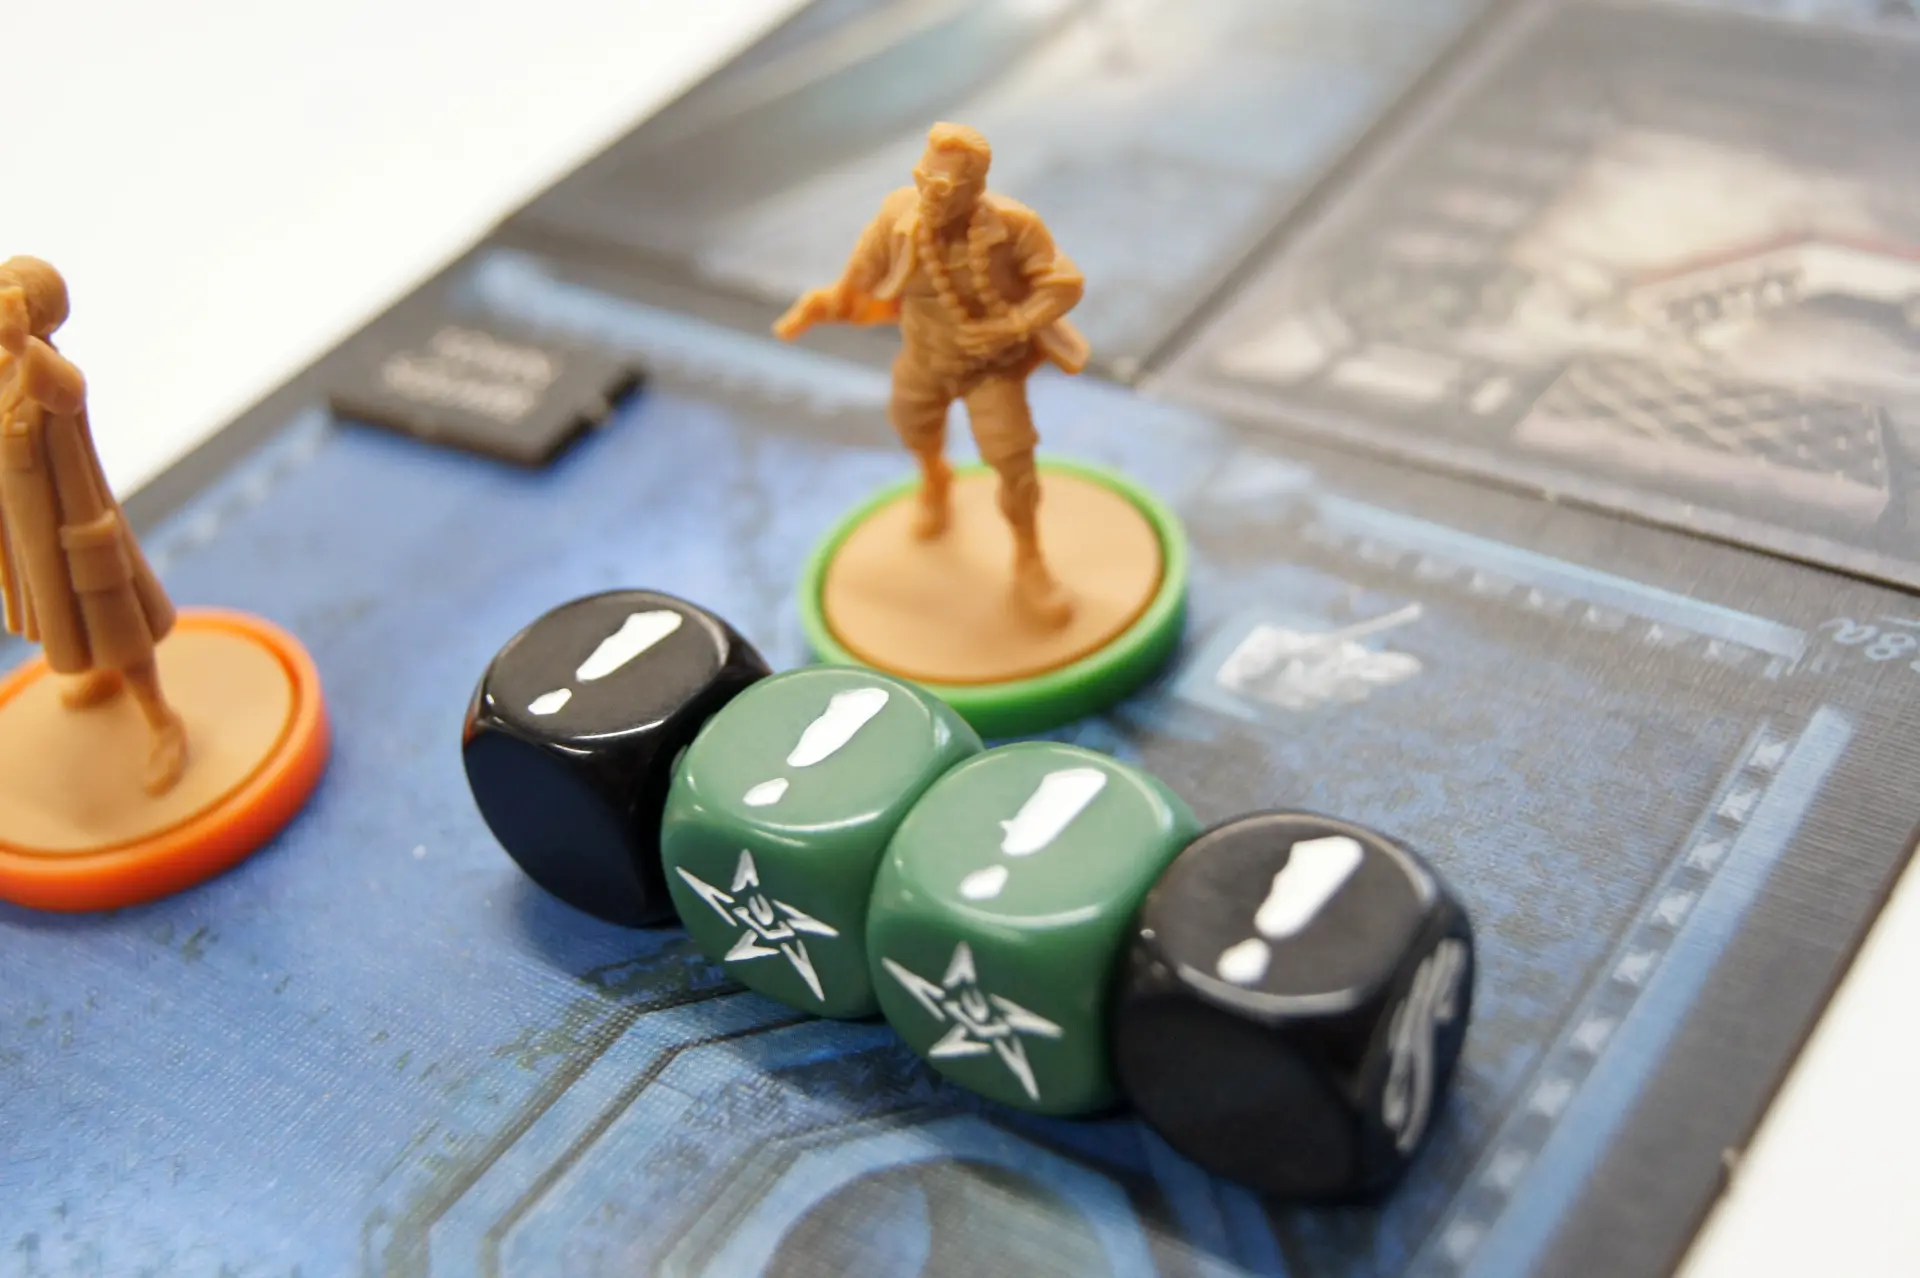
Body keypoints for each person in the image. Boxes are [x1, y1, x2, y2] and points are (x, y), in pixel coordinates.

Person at [776, 122, 1090, 627]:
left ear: (974, 187)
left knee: (1013, 464)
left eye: (941, 186)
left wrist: (1010, 326)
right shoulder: (897, 220)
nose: (928, 194)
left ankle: (1030, 560)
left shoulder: (1014, 227)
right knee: (911, 426)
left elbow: (1064, 283)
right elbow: (858, 280)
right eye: (922, 179)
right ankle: (935, 480)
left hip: (991, 369)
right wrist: (820, 306)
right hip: (924, 358)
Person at [0, 256, 187, 794]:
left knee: (119, 625)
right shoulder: (7, 370)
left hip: (81, 533)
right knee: (73, 621)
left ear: (33, 313)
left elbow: (65, 392)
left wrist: (21, 341)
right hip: (35, 538)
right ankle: (102, 672)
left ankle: (162, 722)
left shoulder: (48, 370)